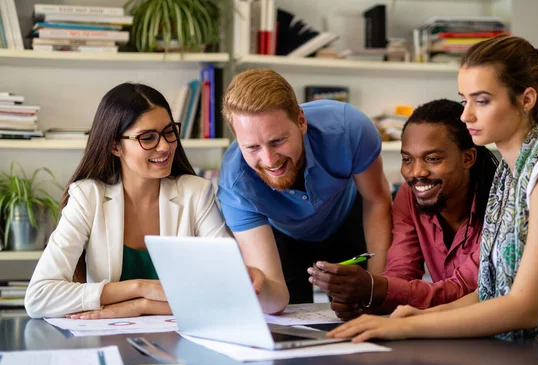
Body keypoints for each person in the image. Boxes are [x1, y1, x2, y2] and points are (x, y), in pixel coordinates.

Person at [328, 35, 538, 352]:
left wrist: (409, 327)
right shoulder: (509, 176)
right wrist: (411, 317)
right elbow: (489, 290)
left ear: (526, 100)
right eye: (464, 101)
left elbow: (525, 306)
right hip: (530, 353)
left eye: (481, 101)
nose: (466, 115)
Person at [24, 83, 281, 319]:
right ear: (115, 146)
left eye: (169, 132)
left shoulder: (196, 193)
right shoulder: (87, 197)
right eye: (147, 137)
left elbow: (230, 291)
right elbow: (39, 297)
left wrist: (141, 305)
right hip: (109, 341)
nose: (165, 146)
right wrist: (141, 288)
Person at [309, 99, 499, 320]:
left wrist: (376, 289)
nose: (416, 172)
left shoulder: (500, 205)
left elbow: (464, 290)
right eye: (407, 159)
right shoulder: (408, 197)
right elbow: (402, 270)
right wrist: (366, 300)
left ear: (468, 158)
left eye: (433, 159)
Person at [217, 68, 392, 304]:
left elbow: (377, 200)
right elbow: (273, 298)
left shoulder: (349, 128)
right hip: (281, 236)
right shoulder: (234, 184)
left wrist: (377, 289)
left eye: (277, 141)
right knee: (285, 314)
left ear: (301, 121)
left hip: (346, 219)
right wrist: (258, 288)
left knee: (360, 306)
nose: (269, 160)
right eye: (252, 147)